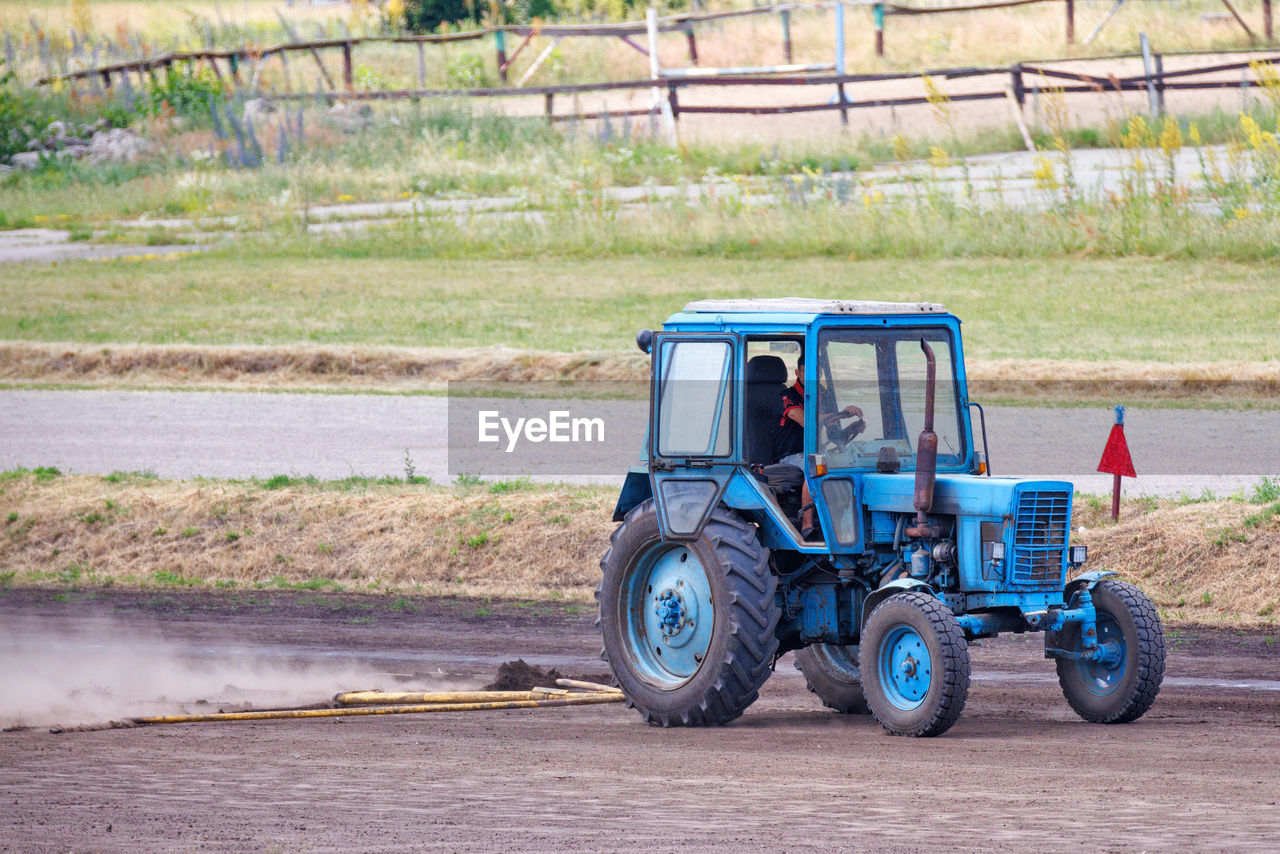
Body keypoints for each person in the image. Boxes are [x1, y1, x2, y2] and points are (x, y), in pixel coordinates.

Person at [773, 353, 863, 540]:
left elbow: (833, 433)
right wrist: (841, 414)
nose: (813, 376)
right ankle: (807, 525)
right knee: (814, 467)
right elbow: (806, 420)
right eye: (808, 371)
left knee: (847, 464)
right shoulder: (786, 396)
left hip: (814, 452)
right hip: (790, 455)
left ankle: (847, 525)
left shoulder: (820, 394)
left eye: (817, 371)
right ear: (798, 372)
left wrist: (851, 427)